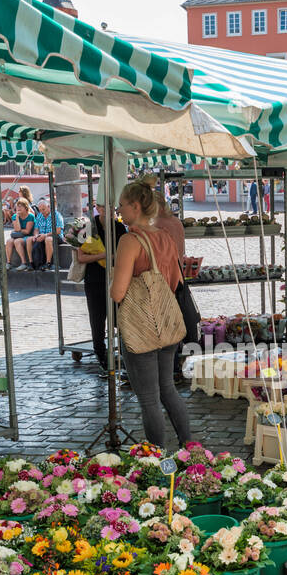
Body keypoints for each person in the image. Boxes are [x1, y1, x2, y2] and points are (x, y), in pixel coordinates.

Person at [110, 177, 192, 447]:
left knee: (148, 398)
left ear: (135, 206)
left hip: (140, 326)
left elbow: (118, 293)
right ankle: (189, 447)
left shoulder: (130, 241)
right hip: (167, 322)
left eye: (121, 205)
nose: (118, 210)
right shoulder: (166, 237)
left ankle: (157, 457)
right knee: (168, 389)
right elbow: (174, 282)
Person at [82, 204, 126, 373]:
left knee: (120, 318)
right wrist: (106, 255)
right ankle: (101, 356)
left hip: (116, 279)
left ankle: (124, 354)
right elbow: (81, 257)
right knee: (97, 320)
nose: (109, 212)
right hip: (94, 280)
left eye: (112, 208)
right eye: (104, 207)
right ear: (98, 208)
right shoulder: (88, 226)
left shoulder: (119, 226)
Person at [31, 199, 64, 271]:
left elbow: (58, 230)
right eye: (40, 210)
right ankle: (33, 264)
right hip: (43, 236)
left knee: (48, 239)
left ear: (49, 207)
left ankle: (48, 263)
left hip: (56, 236)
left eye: (43, 209)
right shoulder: (39, 215)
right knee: (30, 240)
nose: (42, 212)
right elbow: (36, 229)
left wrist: (45, 235)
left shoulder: (57, 215)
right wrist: (36, 235)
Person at [6, 198, 36, 268]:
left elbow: (27, 231)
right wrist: (16, 218)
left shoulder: (30, 216)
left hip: (29, 236)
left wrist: (18, 230)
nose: (18, 208)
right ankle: (8, 262)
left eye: (20, 206)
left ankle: (24, 263)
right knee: (9, 241)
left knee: (17, 241)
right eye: (17, 206)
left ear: (26, 207)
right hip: (19, 235)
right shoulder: (14, 216)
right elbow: (17, 229)